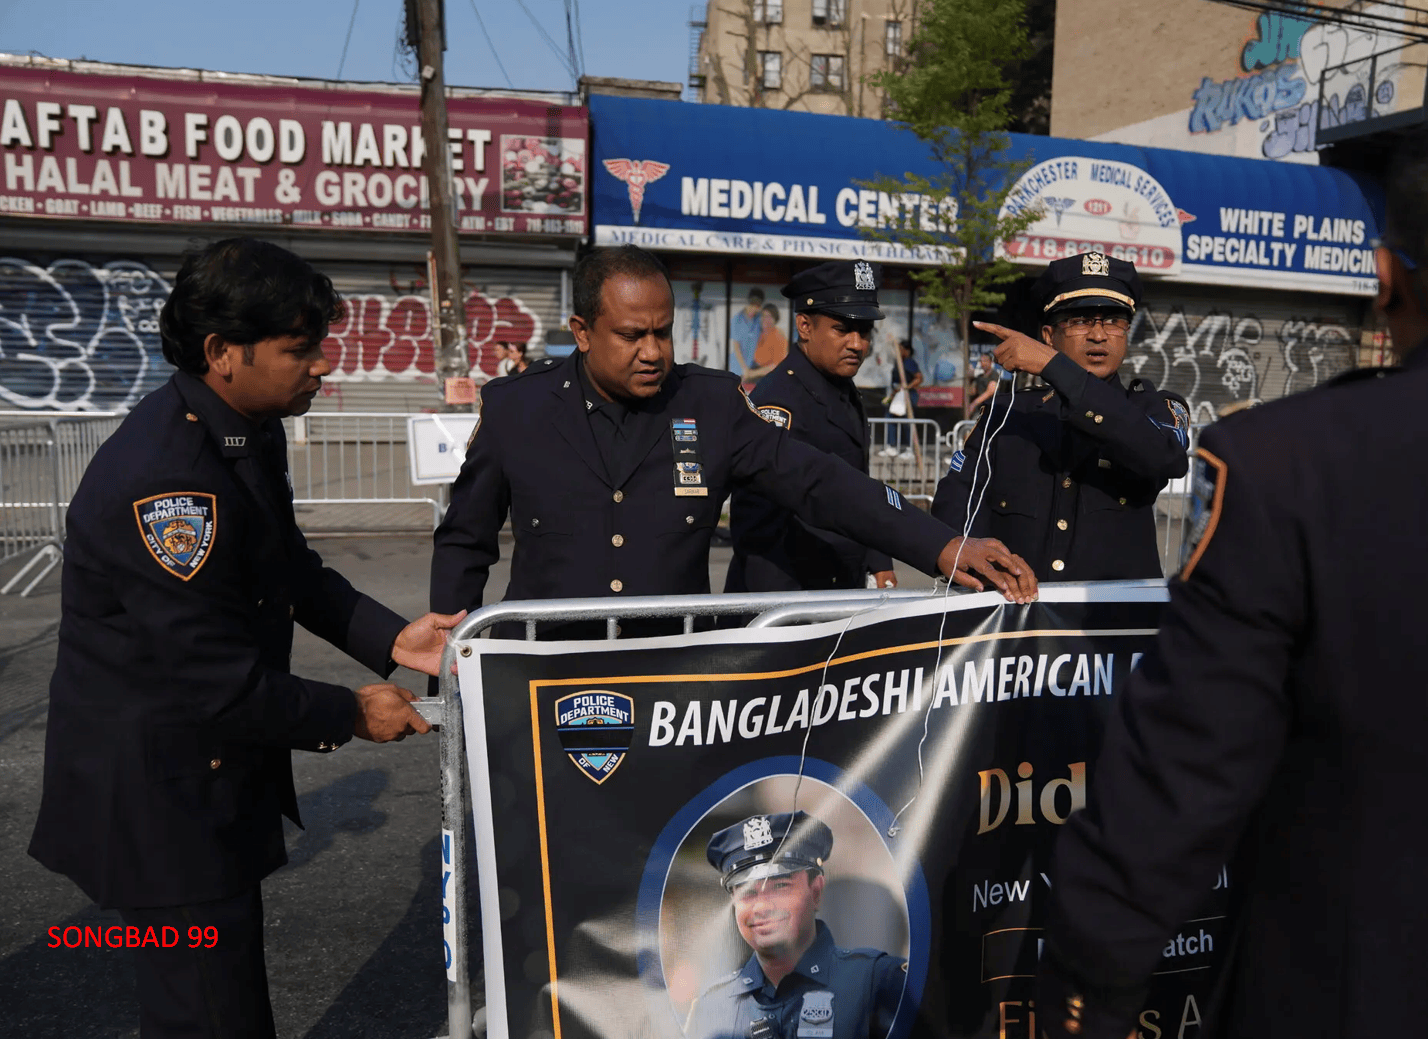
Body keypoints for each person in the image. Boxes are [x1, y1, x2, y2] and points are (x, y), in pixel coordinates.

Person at [1032, 96, 1428, 1039]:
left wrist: (1084, 990)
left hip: (1360, 990)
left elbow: (1183, 770)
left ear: (1385, 277)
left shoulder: (1289, 466)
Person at [27, 238, 463, 1039]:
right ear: (222, 352)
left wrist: (396, 639)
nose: (323, 366)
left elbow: (286, 567)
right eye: (301, 349)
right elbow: (214, 680)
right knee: (212, 1016)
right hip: (162, 805)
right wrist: (352, 713)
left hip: (202, 780)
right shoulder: (171, 482)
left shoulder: (242, 428)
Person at [429, 245, 1037, 630]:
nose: (652, 352)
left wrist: (941, 544)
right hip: (546, 667)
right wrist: (449, 666)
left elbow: (819, 482)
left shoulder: (709, 402)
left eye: (663, 333)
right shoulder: (518, 409)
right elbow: (465, 540)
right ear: (582, 331)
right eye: (632, 335)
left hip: (673, 674)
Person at [930, 253, 1190, 581]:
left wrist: (1055, 368)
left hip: (1115, 624)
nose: (1098, 335)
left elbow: (1167, 459)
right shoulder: (1008, 413)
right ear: (1049, 337)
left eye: (1113, 321)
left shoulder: (1153, 408)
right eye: (1080, 321)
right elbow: (958, 505)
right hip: (1015, 618)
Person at [726, 260, 898, 592]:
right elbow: (759, 523)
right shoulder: (779, 399)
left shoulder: (840, 387)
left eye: (864, 331)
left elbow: (858, 484)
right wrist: (784, 618)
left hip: (834, 586)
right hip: (791, 596)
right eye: (842, 329)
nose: (857, 344)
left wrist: (878, 560)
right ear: (805, 326)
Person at [686, 812, 906, 1039]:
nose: (761, 906)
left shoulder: (878, 982)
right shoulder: (711, 1008)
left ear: (816, 891)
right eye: (747, 892)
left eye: (780, 885)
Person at [881, 340, 922, 459]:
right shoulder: (899, 362)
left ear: (906, 351)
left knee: (907, 422)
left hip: (907, 396)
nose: (897, 351)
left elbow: (919, 378)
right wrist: (892, 395)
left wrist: (906, 387)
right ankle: (891, 446)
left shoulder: (909, 362)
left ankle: (910, 449)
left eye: (900, 349)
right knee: (890, 417)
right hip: (897, 395)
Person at [730, 287, 766, 377]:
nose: (754, 308)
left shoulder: (759, 319)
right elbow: (736, 347)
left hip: (752, 369)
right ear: (748, 303)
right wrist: (744, 368)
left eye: (757, 306)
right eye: (752, 304)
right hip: (737, 368)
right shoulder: (737, 319)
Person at [752, 303, 789, 375]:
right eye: (763, 316)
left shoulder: (779, 337)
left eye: (769, 317)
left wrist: (752, 374)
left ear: (775, 319)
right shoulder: (760, 334)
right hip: (756, 369)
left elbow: (777, 365)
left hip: (770, 376)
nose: (766, 319)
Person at [965, 351, 1002, 419]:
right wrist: (969, 378)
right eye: (981, 361)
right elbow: (972, 391)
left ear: (991, 362)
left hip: (992, 409)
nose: (983, 363)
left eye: (985, 361)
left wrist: (973, 404)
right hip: (980, 409)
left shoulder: (994, 375)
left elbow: (990, 391)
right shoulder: (979, 377)